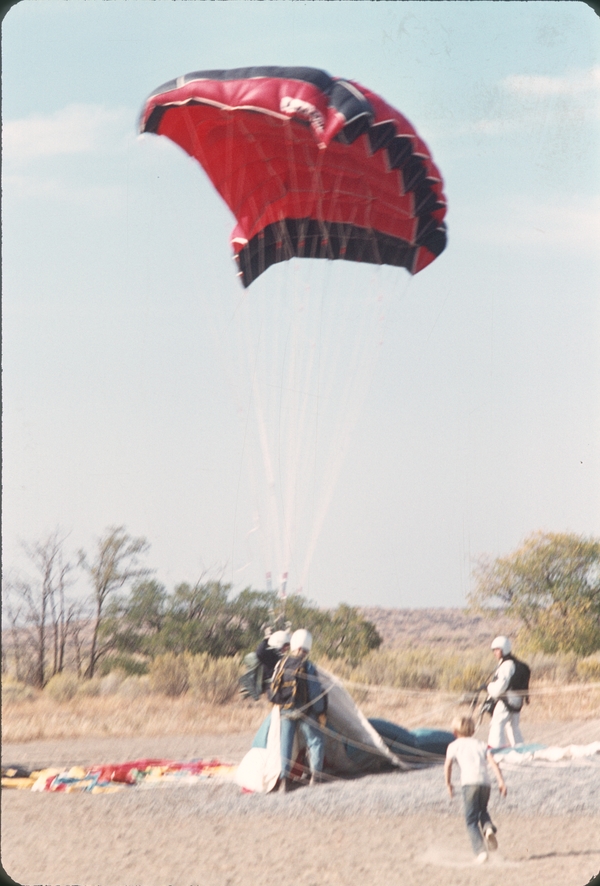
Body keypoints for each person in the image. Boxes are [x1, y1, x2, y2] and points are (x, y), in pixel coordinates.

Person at [269, 628, 327, 793]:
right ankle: (316, 777)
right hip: (304, 711)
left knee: (285, 743)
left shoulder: (281, 663)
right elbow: (315, 692)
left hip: (284, 710)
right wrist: (321, 710)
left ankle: (284, 780)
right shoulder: (307, 666)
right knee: (315, 741)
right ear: (307, 648)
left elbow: (273, 687)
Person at [445, 714, 507, 864]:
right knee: (482, 810)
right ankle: (488, 828)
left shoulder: (453, 746)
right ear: (472, 731)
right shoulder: (481, 744)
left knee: (471, 820)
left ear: (454, 732)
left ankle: (480, 852)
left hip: (469, 783)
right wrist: (501, 781)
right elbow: (493, 763)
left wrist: (448, 783)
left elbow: (448, 765)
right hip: (485, 783)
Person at [486, 636, 525, 749]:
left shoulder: (506, 666)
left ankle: (495, 749)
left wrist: (489, 687)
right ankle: (520, 749)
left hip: (506, 701)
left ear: (504, 649)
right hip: (515, 701)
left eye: (497, 650)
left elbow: (500, 688)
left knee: (497, 724)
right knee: (513, 726)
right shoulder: (513, 663)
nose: (495, 653)